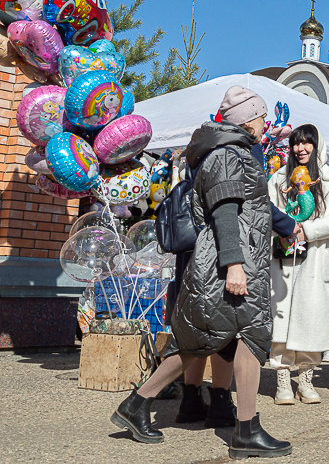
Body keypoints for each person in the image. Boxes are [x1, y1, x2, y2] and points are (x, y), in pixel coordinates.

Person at [110, 86, 291, 458]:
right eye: (260, 115)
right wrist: (235, 265)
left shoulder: (227, 151)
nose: (263, 122)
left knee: (215, 339)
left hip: (236, 259)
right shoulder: (228, 154)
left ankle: (138, 405)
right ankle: (244, 431)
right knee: (238, 338)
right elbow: (225, 211)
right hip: (231, 261)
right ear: (246, 118)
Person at [267, 124, 329, 405]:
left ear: (317, 146)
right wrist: (287, 228)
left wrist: (309, 230)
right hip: (285, 256)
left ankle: (305, 380)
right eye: (295, 143)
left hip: (316, 258)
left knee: (311, 320)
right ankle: (281, 380)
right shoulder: (279, 178)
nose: (300, 149)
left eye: (306, 143)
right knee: (282, 316)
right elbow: (267, 210)